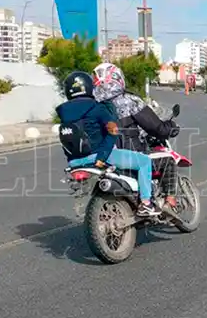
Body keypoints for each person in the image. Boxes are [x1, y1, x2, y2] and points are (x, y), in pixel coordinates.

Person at [56, 71, 161, 217]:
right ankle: (146, 204)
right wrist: (103, 156)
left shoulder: (63, 113)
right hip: (101, 157)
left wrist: (72, 162)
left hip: (75, 163)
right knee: (144, 162)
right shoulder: (97, 107)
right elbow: (113, 131)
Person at [91, 63, 180, 207]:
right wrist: (169, 128)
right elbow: (156, 128)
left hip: (102, 158)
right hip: (131, 156)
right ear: (118, 78)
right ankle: (169, 202)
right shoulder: (129, 101)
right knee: (168, 161)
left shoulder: (92, 105)